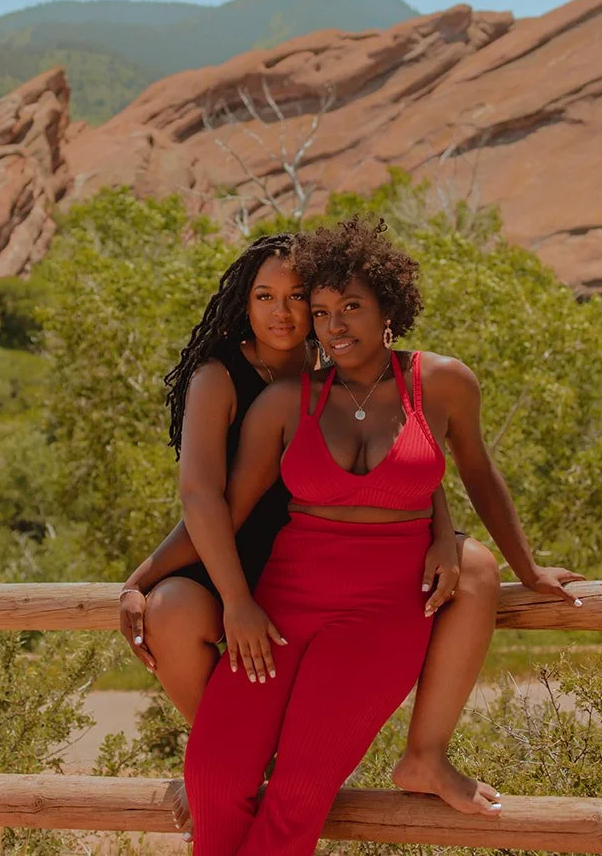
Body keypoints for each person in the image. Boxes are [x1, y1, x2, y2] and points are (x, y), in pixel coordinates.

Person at [182, 218, 584, 855]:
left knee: (297, 793)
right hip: (281, 603)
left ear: (388, 310)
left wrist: (528, 571)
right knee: (213, 776)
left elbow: (479, 474)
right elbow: (220, 510)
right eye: (320, 313)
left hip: (382, 613)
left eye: (351, 308)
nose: (333, 325)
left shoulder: (444, 382)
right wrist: (177, 586)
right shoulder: (289, 400)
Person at [118, 233, 501, 822]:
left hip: (301, 562)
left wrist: (438, 528)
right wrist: (138, 581)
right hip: (231, 552)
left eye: (300, 297)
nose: (285, 312)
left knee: (471, 564)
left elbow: (401, 461)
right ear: (243, 305)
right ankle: (234, 764)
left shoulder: (331, 362)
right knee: (169, 612)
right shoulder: (220, 377)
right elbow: (203, 499)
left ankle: (272, 767)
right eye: (264, 296)